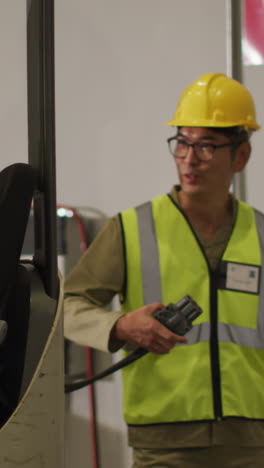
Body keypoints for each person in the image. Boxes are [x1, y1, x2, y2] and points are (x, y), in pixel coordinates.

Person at [64, 72, 264, 468]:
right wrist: (120, 326)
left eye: (207, 146)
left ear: (240, 156)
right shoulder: (132, 228)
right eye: (183, 143)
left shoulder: (260, 233)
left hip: (251, 444)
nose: (190, 159)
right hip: (164, 445)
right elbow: (68, 305)